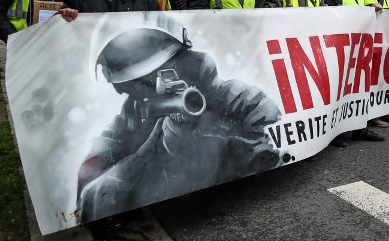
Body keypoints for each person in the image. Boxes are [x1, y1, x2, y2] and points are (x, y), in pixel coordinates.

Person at [76, 15, 281, 224]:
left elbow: (273, 130)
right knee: (98, 194)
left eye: (164, 71)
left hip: (219, 190)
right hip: (173, 195)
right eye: (141, 81)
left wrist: (221, 139)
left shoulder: (224, 95)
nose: (157, 82)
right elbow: (100, 158)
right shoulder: (137, 109)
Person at [323, 0, 384, 144]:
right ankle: (337, 132)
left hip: (358, 46)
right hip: (340, 47)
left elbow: (359, 11)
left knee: (359, 88)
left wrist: (371, 8)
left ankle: (360, 127)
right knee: (340, 89)